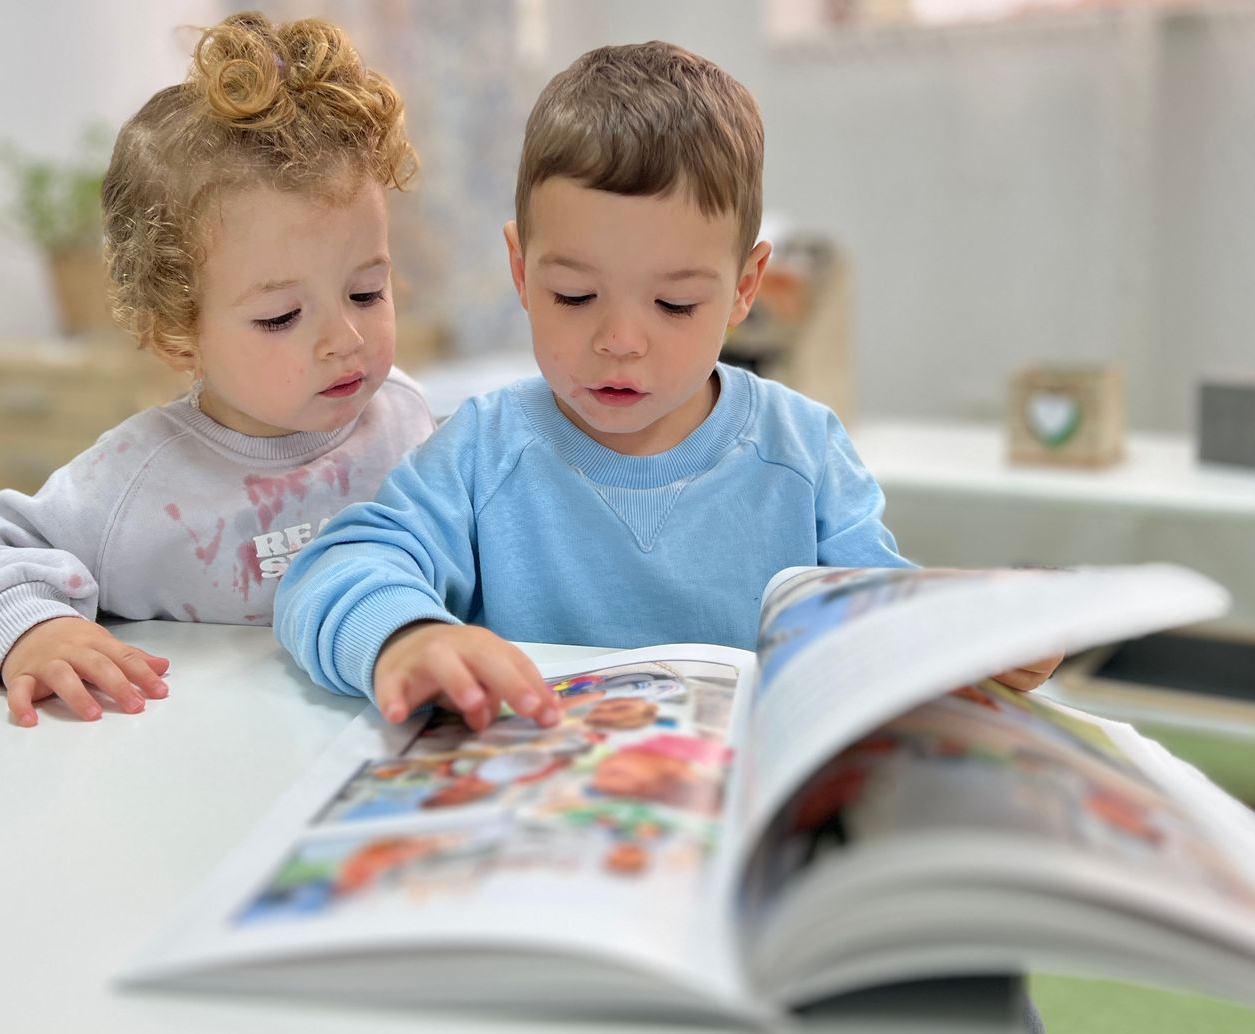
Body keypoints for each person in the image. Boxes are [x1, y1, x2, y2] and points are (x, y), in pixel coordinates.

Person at [277, 39, 1063, 731]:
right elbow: (334, 570)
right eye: (574, 296)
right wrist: (405, 638)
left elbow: (875, 615)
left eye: (676, 303)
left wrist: (966, 636)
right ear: (521, 269)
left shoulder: (805, 452)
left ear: (746, 286)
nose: (620, 340)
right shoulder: (483, 450)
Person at [0, 12, 435, 726]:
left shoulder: (408, 421)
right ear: (181, 334)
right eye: (280, 317)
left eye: (367, 291)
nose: (346, 337)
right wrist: (32, 629)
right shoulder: (132, 484)